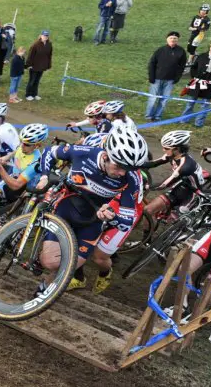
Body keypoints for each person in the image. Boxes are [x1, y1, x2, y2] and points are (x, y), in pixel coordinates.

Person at [35, 126, 149, 296]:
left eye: (127, 168)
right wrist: (45, 176)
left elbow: (126, 222)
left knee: (66, 266)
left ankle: (45, 289)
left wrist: (111, 215)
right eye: (118, 166)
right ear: (105, 156)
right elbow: (49, 153)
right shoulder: (84, 152)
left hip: (91, 222)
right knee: (49, 261)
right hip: (66, 209)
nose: (121, 173)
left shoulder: (131, 178)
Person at [0, 124, 48, 229]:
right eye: (21, 141)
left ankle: (5, 228)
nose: (22, 145)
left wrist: (0, 168)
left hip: (21, 191)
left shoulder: (35, 163)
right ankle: (0, 222)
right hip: (10, 180)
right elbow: (17, 150)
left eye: (26, 144)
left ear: (37, 145)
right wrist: (6, 157)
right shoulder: (24, 146)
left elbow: (16, 186)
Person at [143, 130, 205, 223]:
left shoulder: (185, 167)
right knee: (148, 210)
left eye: (166, 148)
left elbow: (164, 185)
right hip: (180, 187)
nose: (163, 150)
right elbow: (153, 164)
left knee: (176, 223)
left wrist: (146, 186)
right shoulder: (173, 155)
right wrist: (131, 165)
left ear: (177, 149)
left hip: (191, 195)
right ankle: (147, 237)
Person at [145, 31, 187, 122]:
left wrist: (177, 77)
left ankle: (158, 116)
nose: (173, 40)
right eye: (171, 38)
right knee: (153, 98)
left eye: (175, 39)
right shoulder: (160, 50)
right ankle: (149, 116)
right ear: (167, 40)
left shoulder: (181, 51)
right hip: (157, 79)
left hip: (170, 80)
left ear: (177, 40)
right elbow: (152, 63)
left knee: (164, 99)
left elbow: (182, 66)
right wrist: (151, 76)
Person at [180, 40, 211, 128]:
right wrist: (195, 76)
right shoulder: (202, 56)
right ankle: (184, 120)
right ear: (210, 47)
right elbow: (194, 67)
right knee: (190, 102)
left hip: (210, 85)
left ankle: (198, 123)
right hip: (197, 83)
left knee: (204, 105)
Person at [25, 31, 53, 101]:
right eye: (44, 35)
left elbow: (49, 56)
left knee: (37, 81)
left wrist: (48, 65)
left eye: (46, 36)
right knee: (32, 81)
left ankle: (35, 94)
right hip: (34, 66)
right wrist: (29, 65)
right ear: (41, 36)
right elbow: (30, 55)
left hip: (42, 66)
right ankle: (28, 94)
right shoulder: (35, 44)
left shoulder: (49, 44)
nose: (45, 37)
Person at [185, 4, 211, 69]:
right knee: (189, 47)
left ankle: (189, 62)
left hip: (199, 35)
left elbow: (206, 28)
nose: (203, 11)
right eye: (202, 10)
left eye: (205, 10)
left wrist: (197, 28)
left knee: (192, 48)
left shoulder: (207, 19)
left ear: (207, 11)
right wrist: (191, 28)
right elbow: (190, 26)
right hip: (193, 34)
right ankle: (194, 55)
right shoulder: (196, 17)